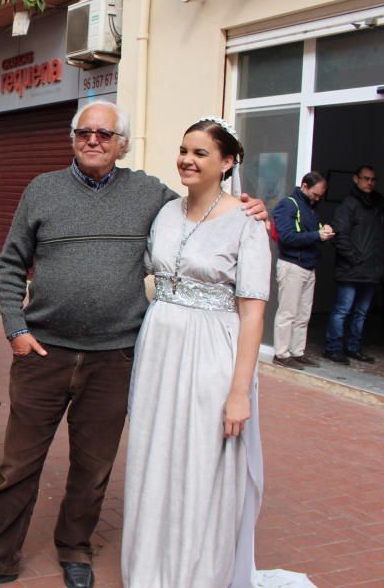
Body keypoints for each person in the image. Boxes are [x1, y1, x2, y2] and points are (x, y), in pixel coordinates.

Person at [0, 102, 267, 588]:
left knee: (93, 467)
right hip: (44, 353)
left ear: (122, 143)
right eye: (84, 132)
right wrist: (16, 329)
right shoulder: (43, 190)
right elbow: (11, 264)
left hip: (115, 358)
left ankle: (75, 547)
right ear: (73, 138)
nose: (93, 140)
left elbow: (207, 213)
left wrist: (257, 207)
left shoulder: (150, 195)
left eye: (104, 134)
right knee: (18, 465)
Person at [121, 118, 271, 587]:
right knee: (156, 452)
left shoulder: (247, 224)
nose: (187, 159)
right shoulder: (165, 213)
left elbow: (252, 314)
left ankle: (195, 572)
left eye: (201, 153)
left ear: (227, 163)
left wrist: (239, 392)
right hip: (159, 348)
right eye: (184, 149)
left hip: (213, 352)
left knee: (203, 460)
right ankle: (151, 565)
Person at [323, 165, 384, 365]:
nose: (369, 182)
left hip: (371, 269)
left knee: (361, 312)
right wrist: (355, 259)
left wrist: (380, 262)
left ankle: (353, 347)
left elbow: (379, 239)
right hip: (352, 269)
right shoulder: (348, 205)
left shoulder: (377, 206)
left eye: (372, 179)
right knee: (343, 310)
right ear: (356, 179)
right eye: (365, 178)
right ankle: (333, 348)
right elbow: (339, 236)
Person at [272, 172, 334, 369]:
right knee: (287, 313)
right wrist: (317, 235)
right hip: (292, 265)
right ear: (305, 186)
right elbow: (287, 237)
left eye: (320, 196)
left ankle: (297, 352)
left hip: (308, 265)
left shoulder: (311, 208)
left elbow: (309, 233)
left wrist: (322, 231)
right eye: (315, 194)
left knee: (303, 315)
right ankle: (281, 354)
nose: (317, 199)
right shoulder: (288, 205)